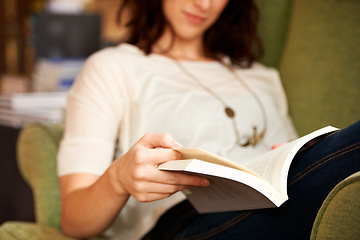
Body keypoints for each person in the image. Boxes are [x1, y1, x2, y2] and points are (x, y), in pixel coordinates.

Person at [57, 0, 360, 239]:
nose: (204, 4)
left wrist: (293, 159)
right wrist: (118, 179)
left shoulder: (261, 77)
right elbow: (73, 219)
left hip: (279, 212)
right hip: (184, 224)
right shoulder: (112, 68)